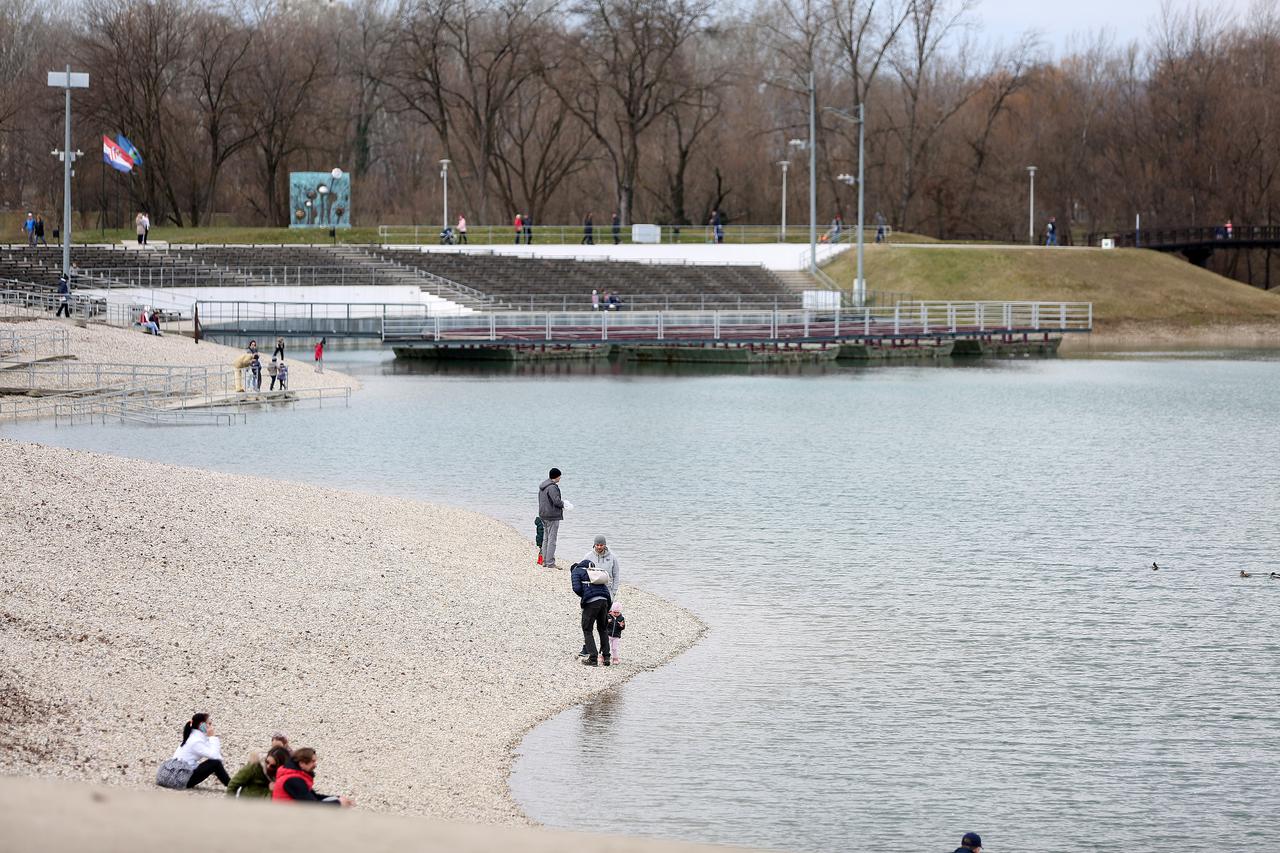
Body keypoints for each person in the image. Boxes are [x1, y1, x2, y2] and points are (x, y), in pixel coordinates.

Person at [155, 712, 231, 790]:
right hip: (180, 779)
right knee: (215, 763)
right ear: (202, 725)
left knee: (212, 764)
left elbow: (211, 750)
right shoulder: (196, 741)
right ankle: (233, 786)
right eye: (209, 724)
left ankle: (231, 784)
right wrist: (212, 736)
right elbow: (215, 756)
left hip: (176, 773)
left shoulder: (192, 736)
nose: (211, 727)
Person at [577, 534, 621, 657]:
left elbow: (616, 575)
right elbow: (582, 574)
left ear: (605, 545)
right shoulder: (588, 556)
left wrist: (613, 592)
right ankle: (587, 647)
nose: (599, 547)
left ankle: (604, 651)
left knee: (603, 625)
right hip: (591, 594)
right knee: (588, 623)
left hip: (606, 595)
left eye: (601, 545)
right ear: (594, 545)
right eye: (597, 545)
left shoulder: (612, 557)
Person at [571, 548, 614, 666]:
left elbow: (577, 588)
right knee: (603, 628)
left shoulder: (576, 571)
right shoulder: (594, 570)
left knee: (587, 628)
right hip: (605, 600)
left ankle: (593, 658)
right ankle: (606, 657)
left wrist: (585, 596)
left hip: (592, 603)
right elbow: (604, 588)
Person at [272, 748, 354, 806]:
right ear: (302, 763)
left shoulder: (292, 776)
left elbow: (314, 797)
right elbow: (311, 805)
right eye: (313, 762)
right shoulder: (293, 780)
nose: (315, 765)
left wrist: (337, 798)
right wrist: (338, 803)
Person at [226, 745, 291, 799]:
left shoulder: (283, 776)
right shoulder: (255, 766)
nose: (268, 766)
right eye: (267, 762)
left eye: (273, 766)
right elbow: (233, 785)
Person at [537, 467, 565, 569]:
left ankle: (544, 561)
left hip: (543, 515)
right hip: (552, 516)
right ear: (556, 476)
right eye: (560, 476)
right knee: (552, 540)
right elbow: (556, 501)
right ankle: (550, 563)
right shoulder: (552, 487)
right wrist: (564, 505)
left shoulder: (543, 486)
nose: (560, 478)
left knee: (546, 539)